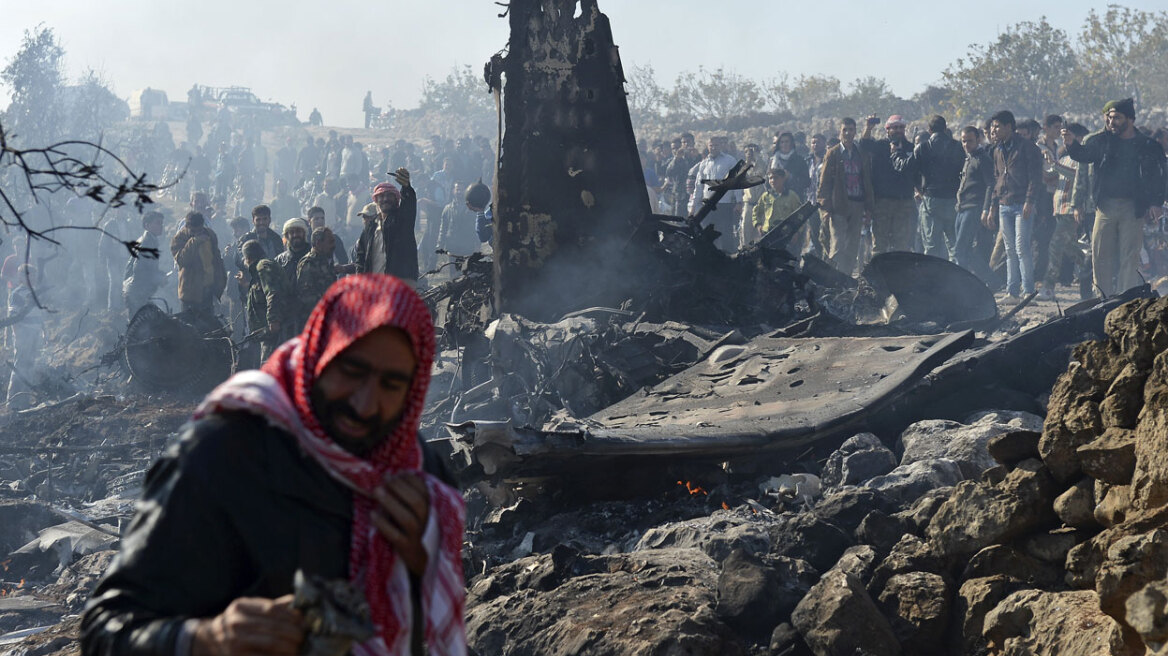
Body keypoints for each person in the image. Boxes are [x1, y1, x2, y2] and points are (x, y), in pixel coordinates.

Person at [81, 274, 467, 656]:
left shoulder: (415, 472)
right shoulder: (225, 452)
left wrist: (419, 563)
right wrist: (206, 638)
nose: (365, 404)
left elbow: (422, 628)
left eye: (391, 384)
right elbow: (105, 628)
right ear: (319, 355)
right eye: (351, 372)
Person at [1065, 98, 1168, 296]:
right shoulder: (1101, 141)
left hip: (1133, 208)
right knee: (1100, 254)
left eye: (1117, 118)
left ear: (1130, 119)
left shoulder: (1147, 145)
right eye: (1110, 117)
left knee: (1130, 256)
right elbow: (1084, 156)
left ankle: (1124, 298)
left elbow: (1158, 177)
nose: (1111, 122)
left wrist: (1156, 203)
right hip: (1105, 207)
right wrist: (1071, 145)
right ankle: (1103, 298)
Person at [986, 110, 1044, 299]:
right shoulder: (998, 150)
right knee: (1010, 250)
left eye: (997, 126)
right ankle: (1012, 291)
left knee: (1022, 247)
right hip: (1004, 204)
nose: (993, 130)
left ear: (1008, 127)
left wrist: (1030, 201)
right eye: (992, 126)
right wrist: (993, 206)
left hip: (1022, 204)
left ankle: (1028, 291)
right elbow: (997, 178)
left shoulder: (1027, 147)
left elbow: (1035, 178)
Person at [817, 118, 874, 275]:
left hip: (858, 203)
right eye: (845, 130)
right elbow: (824, 183)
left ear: (855, 131)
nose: (848, 133)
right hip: (839, 205)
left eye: (851, 129)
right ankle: (832, 279)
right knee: (837, 246)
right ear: (840, 132)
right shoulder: (833, 153)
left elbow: (867, 181)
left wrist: (869, 207)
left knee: (852, 247)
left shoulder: (860, 153)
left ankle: (846, 281)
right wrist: (825, 208)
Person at [1041, 122, 1091, 300]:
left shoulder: (1083, 157)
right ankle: (1089, 268)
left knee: (1055, 246)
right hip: (1060, 209)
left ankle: (1048, 286)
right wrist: (1046, 163)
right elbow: (1052, 177)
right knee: (1069, 248)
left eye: (1068, 136)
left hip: (1072, 210)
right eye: (1063, 137)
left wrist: (1054, 164)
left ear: (1079, 138)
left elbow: (1075, 175)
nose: (1064, 140)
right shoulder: (1064, 157)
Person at [912, 115, 965, 260]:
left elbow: (912, 173)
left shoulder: (922, 148)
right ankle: (955, 279)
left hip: (931, 199)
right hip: (952, 199)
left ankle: (933, 280)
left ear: (929, 130)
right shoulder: (957, 146)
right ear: (945, 128)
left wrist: (920, 190)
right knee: (954, 245)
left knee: (931, 246)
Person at [862, 115, 917, 255]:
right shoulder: (880, 146)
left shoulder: (911, 148)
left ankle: (898, 275)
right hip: (882, 202)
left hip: (904, 201)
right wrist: (868, 127)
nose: (898, 130)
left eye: (901, 127)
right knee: (880, 244)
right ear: (888, 130)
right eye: (895, 128)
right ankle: (877, 275)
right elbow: (863, 144)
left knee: (901, 244)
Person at [356, 170, 419, 284]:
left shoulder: (401, 222)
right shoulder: (371, 227)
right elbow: (361, 258)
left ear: (396, 199)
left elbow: (408, 208)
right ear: (376, 200)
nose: (385, 199)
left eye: (389, 195)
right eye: (381, 196)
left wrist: (406, 188)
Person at [953, 126, 995, 281]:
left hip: (973, 208)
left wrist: (985, 209)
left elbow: (991, 184)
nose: (966, 144)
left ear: (978, 140)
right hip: (962, 208)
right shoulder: (969, 158)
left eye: (969, 141)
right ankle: (992, 281)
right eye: (963, 141)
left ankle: (963, 284)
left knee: (961, 250)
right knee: (965, 250)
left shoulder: (982, 159)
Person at [688, 136, 742, 252]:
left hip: (724, 203)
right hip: (707, 205)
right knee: (707, 234)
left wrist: (739, 202)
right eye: (711, 145)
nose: (713, 148)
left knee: (726, 233)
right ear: (708, 146)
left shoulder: (730, 160)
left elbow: (736, 181)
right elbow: (698, 186)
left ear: (721, 146)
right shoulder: (704, 164)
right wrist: (693, 206)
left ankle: (729, 259)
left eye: (716, 145)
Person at [170, 211, 226, 318]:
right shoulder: (179, 239)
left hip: (208, 289)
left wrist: (221, 281)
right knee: (191, 328)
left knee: (208, 326)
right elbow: (182, 260)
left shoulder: (210, 235)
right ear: (187, 226)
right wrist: (194, 241)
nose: (197, 233)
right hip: (190, 294)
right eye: (193, 231)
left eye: (199, 230)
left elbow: (217, 259)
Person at [6, 265, 43, 410]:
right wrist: (18, 334)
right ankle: (13, 402)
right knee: (20, 365)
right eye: (28, 275)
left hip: (34, 333)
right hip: (24, 334)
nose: (31, 278)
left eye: (33, 275)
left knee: (30, 365)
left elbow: (39, 315)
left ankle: (25, 399)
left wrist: (42, 332)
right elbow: (13, 317)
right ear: (21, 277)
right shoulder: (17, 293)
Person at [123, 212, 167, 317]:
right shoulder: (147, 242)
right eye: (157, 223)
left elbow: (148, 267)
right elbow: (139, 270)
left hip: (137, 291)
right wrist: (158, 278)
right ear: (147, 225)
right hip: (137, 292)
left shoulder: (150, 240)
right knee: (139, 327)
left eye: (161, 223)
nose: (161, 226)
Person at [751, 168, 803, 248]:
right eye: (770, 178)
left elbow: (801, 215)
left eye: (776, 178)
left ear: (783, 179)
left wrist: (797, 232)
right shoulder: (766, 196)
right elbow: (756, 211)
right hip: (767, 234)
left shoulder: (792, 196)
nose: (772, 180)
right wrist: (758, 225)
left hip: (784, 235)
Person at [296, 227, 338, 319]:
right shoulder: (308, 263)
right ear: (319, 243)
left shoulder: (325, 260)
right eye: (330, 242)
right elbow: (306, 296)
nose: (333, 245)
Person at [769, 132, 810, 201]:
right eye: (782, 142)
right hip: (776, 200)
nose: (784, 144)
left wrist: (790, 177)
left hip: (794, 199)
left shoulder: (799, 160)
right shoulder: (772, 161)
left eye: (787, 142)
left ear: (791, 144)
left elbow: (806, 182)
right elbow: (767, 182)